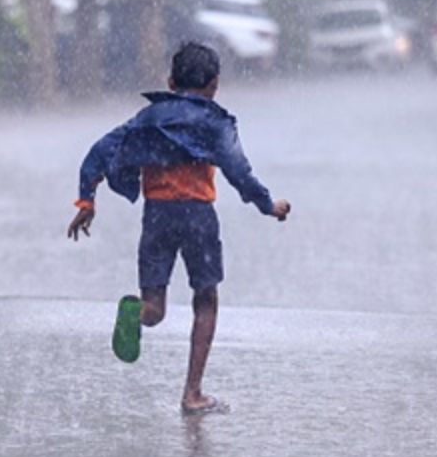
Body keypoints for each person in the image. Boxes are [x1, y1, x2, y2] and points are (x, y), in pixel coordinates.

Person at [67, 41, 290, 415]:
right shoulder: (215, 122)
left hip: (157, 216)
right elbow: (239, 172)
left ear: (170, 81)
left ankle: (137, 314)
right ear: (215, 84)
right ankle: (192, 394)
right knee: (206, 300)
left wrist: (87, 200)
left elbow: (100, 151)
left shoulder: (148, 118)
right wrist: (268, 205)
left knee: (156, 307)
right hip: (197, 217)